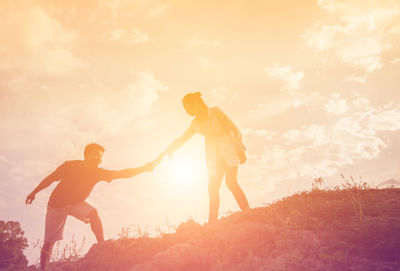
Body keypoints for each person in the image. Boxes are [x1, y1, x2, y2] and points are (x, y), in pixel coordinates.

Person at [25, 143, 157, 270]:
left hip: (76, 203)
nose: (99, 159)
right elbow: (51, 178)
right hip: (57, 205)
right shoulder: (70, 165)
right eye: (96, 155)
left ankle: (102, 245)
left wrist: (144, 169)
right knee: (49, 241)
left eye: (101, 156)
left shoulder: (98, 172)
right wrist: (34, 192)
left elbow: (122, 173)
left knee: (94, 214)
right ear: (86, 155)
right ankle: (43, 268)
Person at [156, 92, 250, 223]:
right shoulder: (195, 123)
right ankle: (212, 222)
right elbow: (183, 138)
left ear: (196, 103)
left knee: (231, 182)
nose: (186, 111)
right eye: (185, 109)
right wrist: (170, 150)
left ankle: (248, 212)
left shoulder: (215, 112)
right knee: (212, 188)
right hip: (213, 154)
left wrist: (240, 149)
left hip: (228, 148)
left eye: (188, 107)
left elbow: (233, 129)